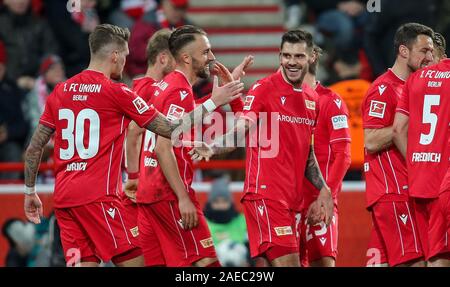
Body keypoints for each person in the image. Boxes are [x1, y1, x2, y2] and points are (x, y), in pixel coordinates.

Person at [22, 23, 244, 267]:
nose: (126, 62)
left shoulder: (61, 91)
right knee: (138, 263)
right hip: (99, 198)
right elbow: (169, 129)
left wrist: (30, 190)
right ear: (115, 56)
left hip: (64, 200)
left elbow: (34, 147)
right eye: (126, 56)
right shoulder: (116, 92)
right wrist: (213, 103)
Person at [189, 29, 334, 267]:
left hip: (293, 202)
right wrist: (213, 148)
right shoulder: (264, 88)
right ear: (279, 57)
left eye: (298, 56)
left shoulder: (312, 98)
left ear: (311, 58)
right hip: (267, 197)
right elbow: (243, 128)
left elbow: (306, 153)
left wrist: (324, 189)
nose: (291, 62)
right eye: (286, 56)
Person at [123, 25, 247, 267]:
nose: (212, 58)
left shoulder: (164, 85)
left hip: (149, 194)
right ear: (187, 58)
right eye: (206, 52)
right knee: (206, 262)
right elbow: (161, 147)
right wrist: (183, 198)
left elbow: (149, 131)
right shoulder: (179, 90)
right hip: (167, 192)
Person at [362, 23, 434, 267]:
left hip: (407, 190)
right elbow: (370, 141)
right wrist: (403, 126)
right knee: (416, 262)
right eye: (424, 51)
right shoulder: (383, 89)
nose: (429, 58)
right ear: (404, 51)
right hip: (393, 191)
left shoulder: (417, 87)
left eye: (431, 52)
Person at [393, 37, 450, 268]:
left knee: (431, 255)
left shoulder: (414, 80)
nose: (424, 60)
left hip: (419, 182)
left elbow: (398, 130)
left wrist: (416, 163)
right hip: (444, 181)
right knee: (441, 256)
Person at [298, 45, 352, 267]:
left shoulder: (331, 101)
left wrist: (326, 195)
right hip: (285, 203)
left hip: (316, 200)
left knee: (322, 262)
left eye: (296, 56)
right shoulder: (280, 100)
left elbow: (344, 155)